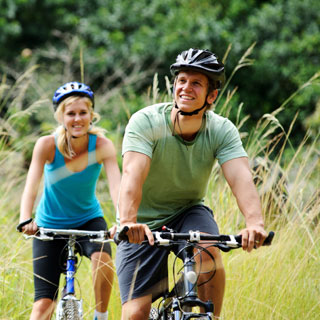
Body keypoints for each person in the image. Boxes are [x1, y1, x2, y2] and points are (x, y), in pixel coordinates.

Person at [115, 48, 268, 320]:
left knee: (209, 250)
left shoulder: (221, 130)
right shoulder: (146, 121)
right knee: (135, 313)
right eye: (182, 80)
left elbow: (241, 178)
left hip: (188, 211)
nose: (186, 88)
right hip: (141, 222)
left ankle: (211, 317)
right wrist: (128, 220)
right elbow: (132, 174)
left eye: (196, 83)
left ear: (211, 96)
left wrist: (255, 224)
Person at [18, 82, 121, 320]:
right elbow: (31, 186)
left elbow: (117, 186)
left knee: (103, 260)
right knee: (43, 306)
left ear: (91, 114)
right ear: (60, 116)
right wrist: (26, 219)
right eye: (70, 113)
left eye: (83, 113)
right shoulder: (46, 145)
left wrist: (121, 221)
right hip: (49, 225)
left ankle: (101, 316)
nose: (77, 119)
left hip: (88, 220)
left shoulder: (103, 145)